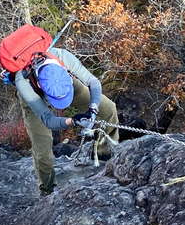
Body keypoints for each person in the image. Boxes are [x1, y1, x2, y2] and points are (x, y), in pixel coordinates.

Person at [15, 47, 119, 196]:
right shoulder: (23, 82)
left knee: (108, 109)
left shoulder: (61, 56)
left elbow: (93, 82)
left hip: (68, 86)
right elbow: (48, 120)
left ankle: (104, 156)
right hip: (35, 98)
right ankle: (47, 190)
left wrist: (93, 108)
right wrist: (72, 121)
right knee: (42, 150)